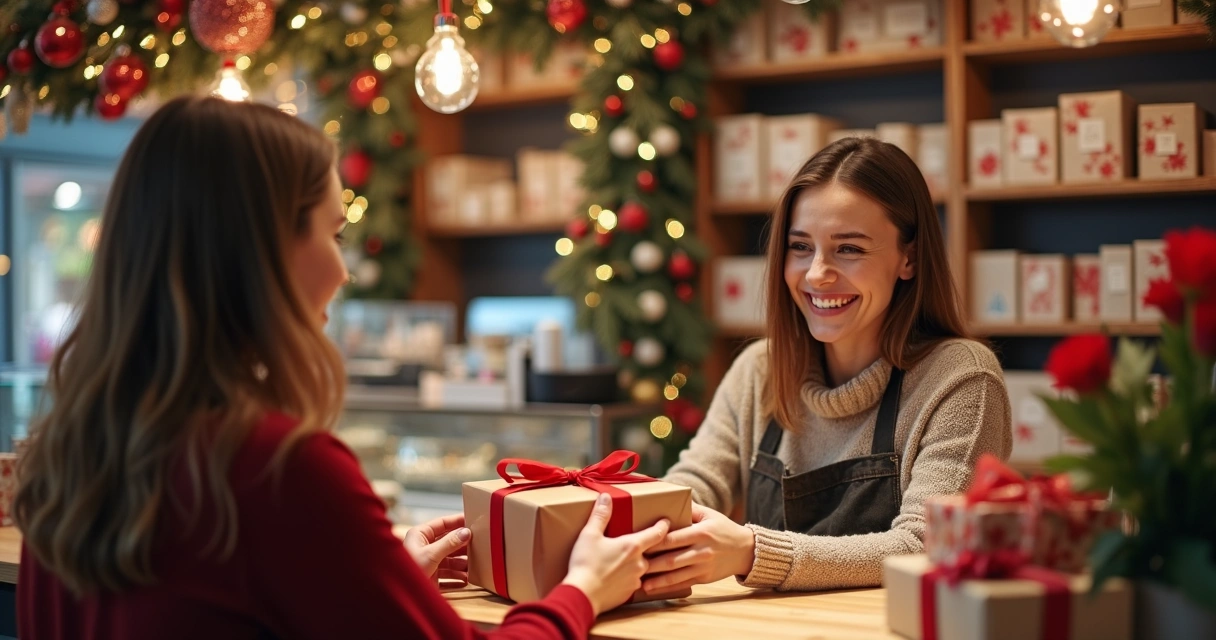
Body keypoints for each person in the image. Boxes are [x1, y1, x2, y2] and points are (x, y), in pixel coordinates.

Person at [13, 96, 668, 640]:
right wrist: (583, 590)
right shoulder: (276, 468)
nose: (343, 269)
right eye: (334, 234)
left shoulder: (70, 454)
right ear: (264, 254)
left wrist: (376, 576)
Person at [642, 137, 1013, 594]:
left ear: (908, 258)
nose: (817, 274)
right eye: (801, 247)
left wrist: (753, 553)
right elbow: (694, 485)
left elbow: (927, 545)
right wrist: (638, 523)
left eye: (849, 249)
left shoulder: (960, 379)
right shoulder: (759, 368)